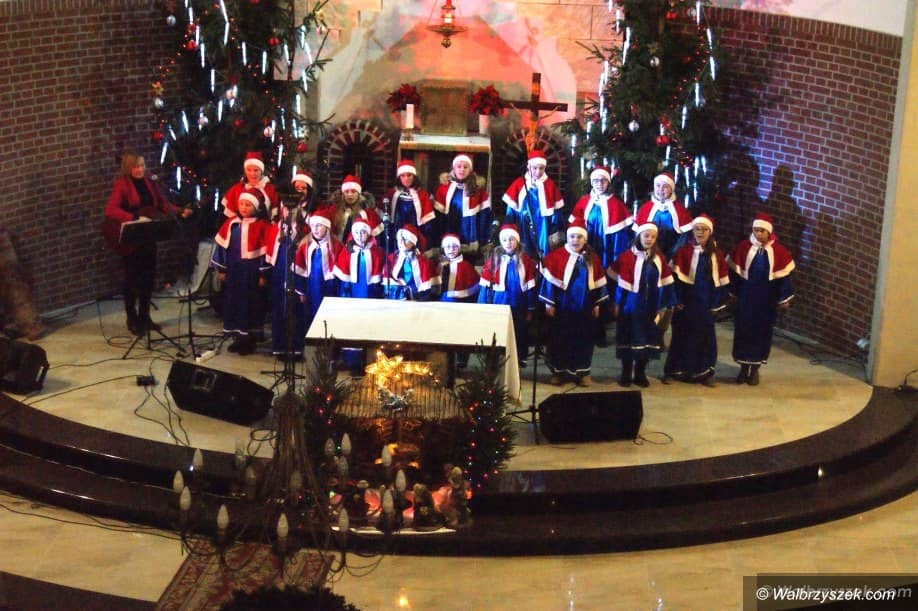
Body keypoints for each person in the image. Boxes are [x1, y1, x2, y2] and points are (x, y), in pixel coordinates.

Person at [104, 152, 192, 335]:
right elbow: (111, 210)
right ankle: (132, 318)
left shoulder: (150, 182)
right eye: (136, 167)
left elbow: (161, 204)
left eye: (142, 165)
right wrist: (133, 217)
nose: (140, 169)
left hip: (147, 233)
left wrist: (178, 211)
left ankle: (145, 316)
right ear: (128, 168)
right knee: (132, 277)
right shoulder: (122, 184)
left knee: (148, 277)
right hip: (132, 236)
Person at [726, 213, 795, 385]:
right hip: (746, 298)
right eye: (755, 230)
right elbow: (735, 275)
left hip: (766, 300)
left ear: (769, 232)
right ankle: (743, 369)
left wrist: (784, 298)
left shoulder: (778, 251)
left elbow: (784, 278)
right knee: (743, 331)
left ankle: (755, 369)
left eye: (761, 231)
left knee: (761, 333)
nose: (758, 234)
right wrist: (732, 293)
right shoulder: (744, 247)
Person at [539, 217, 610, 386]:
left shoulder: (592, 258)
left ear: (585, 239)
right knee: (560, 339)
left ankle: (582, 372)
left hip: (585, 307)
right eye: (572, 237)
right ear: (567, 238)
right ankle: (559, 372)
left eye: (579, 237)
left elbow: (599, 283)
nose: (575, 240)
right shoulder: (556, 257)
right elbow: (548, 282)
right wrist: (549, 303)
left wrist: (597, 304)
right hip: (563, 306)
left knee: (583, 339)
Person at [569, 165, 633, 347]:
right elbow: (574, 229)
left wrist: (615, 260)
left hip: (606, 255)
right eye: (596, 180)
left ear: (608, 182)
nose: (599, 184)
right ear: (591, 182)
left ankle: (600, 331)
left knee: (602, 291)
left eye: (603, 180)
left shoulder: (616, 205)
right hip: (585, 254)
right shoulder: (584, 202)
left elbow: (620, 237)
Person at [663, 214, 730, 386]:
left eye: (704, 229)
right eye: (697, 229)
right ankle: (674, 370)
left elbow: (720, 283)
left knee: (705, 338)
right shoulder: (683, 252)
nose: (700, 232)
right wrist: (676, 299)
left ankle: (704, 372)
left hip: (705, 304)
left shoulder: (716, 255)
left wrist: (716, 303)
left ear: (710, 232)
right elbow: (675, 280)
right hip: (685, 304)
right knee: (681, 336)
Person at [608, 222, 676, 387]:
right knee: (628, 337)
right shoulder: (626, 257)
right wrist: (617, 303)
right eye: (646, 236)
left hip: (650, 306)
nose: (649, 239)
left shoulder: (659, 258)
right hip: (630, 306)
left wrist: (662, 306)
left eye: (653, 237)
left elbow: (665, 283)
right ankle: (626, 372)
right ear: (639, 236)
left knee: (647, 338)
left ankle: (640, 372)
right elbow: (617, 281)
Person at [211, 191, 272, 355]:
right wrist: (222, 268)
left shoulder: (262, 226)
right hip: (234, 271)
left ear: (257, 208)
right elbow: (222, 247)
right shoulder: (232, 224)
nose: (244, 208)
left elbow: (265, 253)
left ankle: (249, 339)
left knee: (251, 304)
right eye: (242, 204)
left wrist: (263, 274)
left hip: (251, 273)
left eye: (248, 205)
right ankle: (237, 337)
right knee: (234, 302)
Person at [478, 224, 537, 367]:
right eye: (504, 240)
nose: (508, 243)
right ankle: (494, 358)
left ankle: (519, 358)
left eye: (511, 239)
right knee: (497, 332)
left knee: (519, 331)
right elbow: (485, 286)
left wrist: (531, 308)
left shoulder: (526, 261)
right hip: (499, 303)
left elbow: (530, 287)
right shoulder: (494, 260)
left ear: (517, 241)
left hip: (519, 304)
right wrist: (482, 305)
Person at [333, 217, 386, 375]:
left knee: (369, 326)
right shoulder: (347, 251)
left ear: (368, 234)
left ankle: (369, 361)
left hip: (370, 296)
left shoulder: (377, 252)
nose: (359, 235)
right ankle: (352, 361)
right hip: (352, 295)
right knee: (352, 326)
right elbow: (342, 278)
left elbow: (379, 278)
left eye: (363, 232)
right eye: (356, 232)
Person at [265, 192, 308, 358]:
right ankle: (280, 347)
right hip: (279, 274)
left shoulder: (304, 230)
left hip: (295, 275)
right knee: (279, 308)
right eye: (285, 209)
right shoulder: (275, 229)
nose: (288, 213)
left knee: (295, 309)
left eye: (292, 210)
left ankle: (296, 348)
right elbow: (271, 254)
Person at [292, 207, 343, 350]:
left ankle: (330, 350)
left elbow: (341, 272)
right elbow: (299, 269)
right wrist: (301, 291)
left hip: (329, 289)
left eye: (319, 225)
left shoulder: (336, 246)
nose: (315, 229)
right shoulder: (306, 245)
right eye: (313, 225)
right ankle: (312, 349)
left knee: (328, 318)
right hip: (312, 289)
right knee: (311, 316)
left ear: (327, 227)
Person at [502, 149, 566, 261]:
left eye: (541, 168)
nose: (538, 172)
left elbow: (556, 210)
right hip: (523, 222)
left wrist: (556, 227)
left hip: (543, 223)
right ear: (529, 167)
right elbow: (511, 208)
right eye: (535, 168)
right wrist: (509, 224)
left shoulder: (549, 185)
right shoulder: (519, 183)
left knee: (544, 248)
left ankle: (543, 266)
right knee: (525, 248)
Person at [432, 153, 492, 255]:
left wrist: (483, 239)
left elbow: (484, 216)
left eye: (465, 167)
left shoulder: (477, 189)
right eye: (459, 167)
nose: (462, 170)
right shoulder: (444, 188)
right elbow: (438, 216)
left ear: (470, 170)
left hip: (469, 230)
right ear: (453, 168)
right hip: (450, 227)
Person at [438, 233, 480, 370]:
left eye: (454, 246)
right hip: (443, 305)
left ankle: (462, 358)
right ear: (443, 248)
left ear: (459, 248)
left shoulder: (466, 266)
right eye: (448, 247)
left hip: (461, 305)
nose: (451, 249)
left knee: (461, 332)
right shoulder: (439, 265)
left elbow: (474, 288)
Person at [633, 172, 693, 259]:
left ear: (671, 190)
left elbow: (683, 238)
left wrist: (673, 255)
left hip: (673, 254)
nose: (661, 189)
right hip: (648, 255)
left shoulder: (680, 210)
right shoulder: (645, 208)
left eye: (665, 186)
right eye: (658, 185)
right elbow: (638, 235)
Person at [383, 159, 436, 254]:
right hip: (397, 228)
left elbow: (427, 222)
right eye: (403, 176)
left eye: (409, 175)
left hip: (415, 229)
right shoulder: (392, 194)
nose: (406, 178)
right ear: (399, 178)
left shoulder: (422, 195)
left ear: (414, 177)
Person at [221, 152, 280, 220]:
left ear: (261, 171)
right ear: (245, 171)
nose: (252, 174)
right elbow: (231, 215)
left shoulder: (270, 189)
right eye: (249, 170)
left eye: (256, 170)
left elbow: (275, 214)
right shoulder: (237, 189)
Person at [385, 224, 437, 301]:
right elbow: (387, 281)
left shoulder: (422, 262)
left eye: (405, 239)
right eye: (399, 239)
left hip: (416, 297)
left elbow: (426, 287)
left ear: (413, 243)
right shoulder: (392, 259)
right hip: (396, 295)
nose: (401, 242)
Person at [329, 174, 383, 245]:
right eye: (346, 191)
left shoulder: (367, 212)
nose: (350, 194)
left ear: (358, 194)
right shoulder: (334, 211)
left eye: (353, 191)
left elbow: (376, 237)